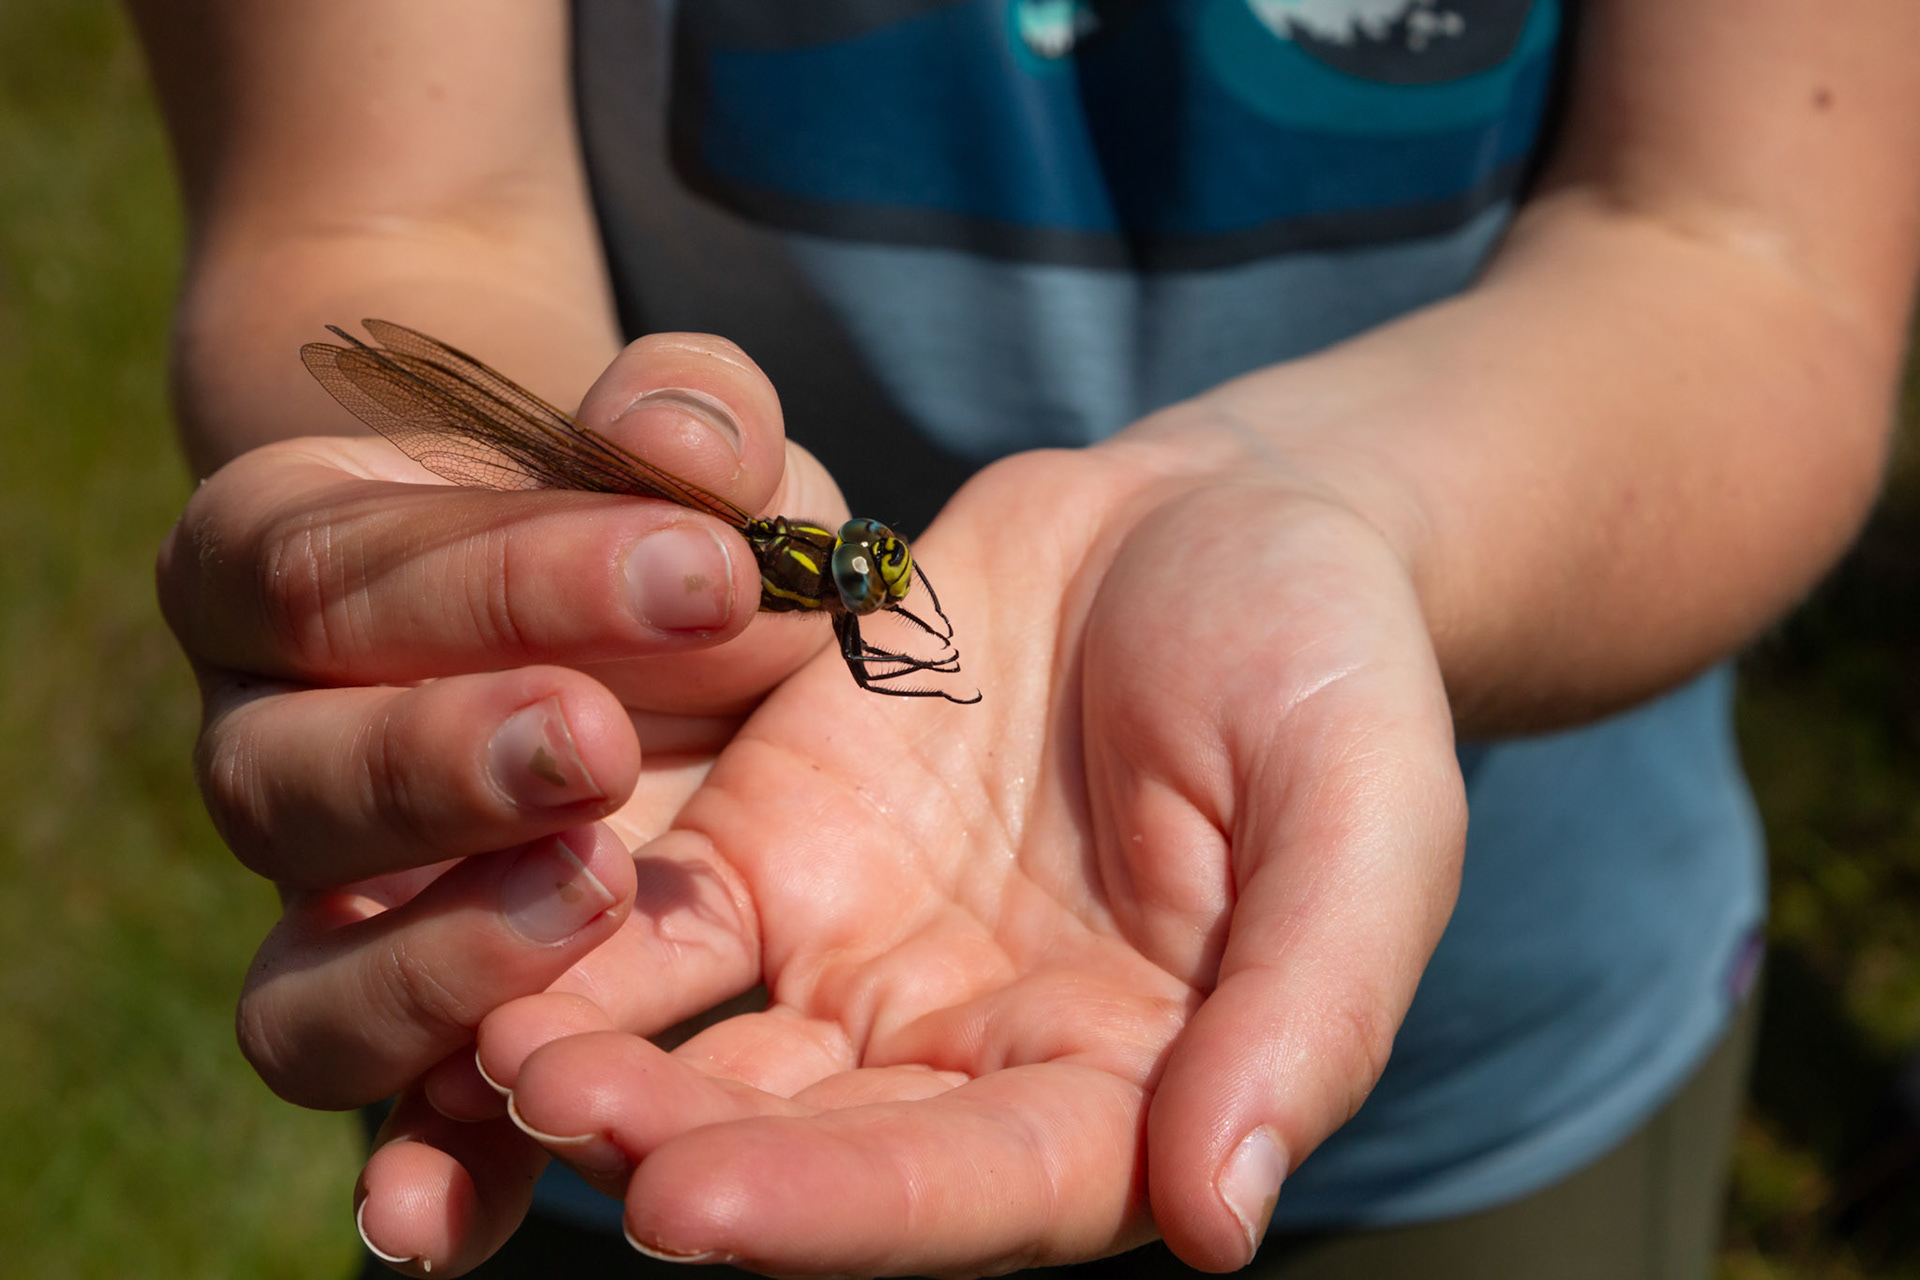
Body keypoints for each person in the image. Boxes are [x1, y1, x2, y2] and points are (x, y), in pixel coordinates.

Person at [129, 1, 1920, 1276]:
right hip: (640, 1034)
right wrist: (443, 577)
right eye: (868, 578)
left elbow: (1745, 253)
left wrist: (1312, 507)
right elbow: (369, 224)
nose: (890, 589)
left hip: (1511, 1064)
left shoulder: (861, 584)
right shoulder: (787, 575)